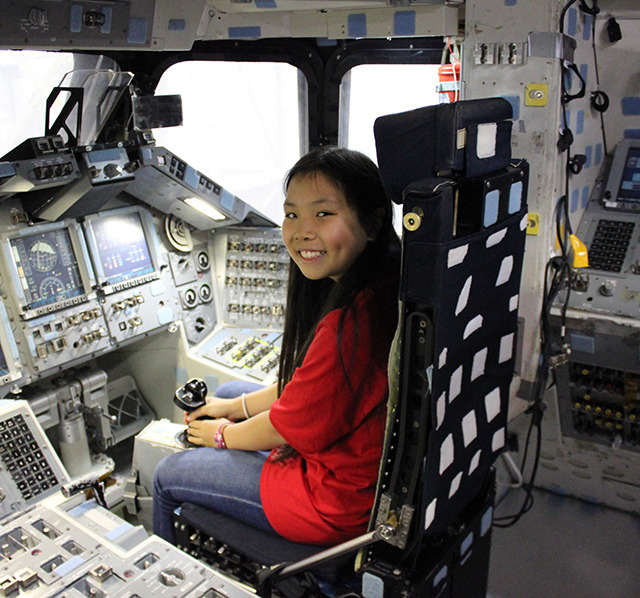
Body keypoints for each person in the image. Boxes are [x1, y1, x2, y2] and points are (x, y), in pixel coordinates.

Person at [152, 146, 401, 546]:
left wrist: (220, 436)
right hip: (360, 465)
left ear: (372, 223)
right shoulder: (382, 285)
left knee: (167, 474)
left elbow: (289, 423)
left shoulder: (351, 325)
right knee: (232, 392)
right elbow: (306, 390)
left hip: (333, 500)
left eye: (323, 213)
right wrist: (233, 409)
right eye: (291, 214)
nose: (302, 230)